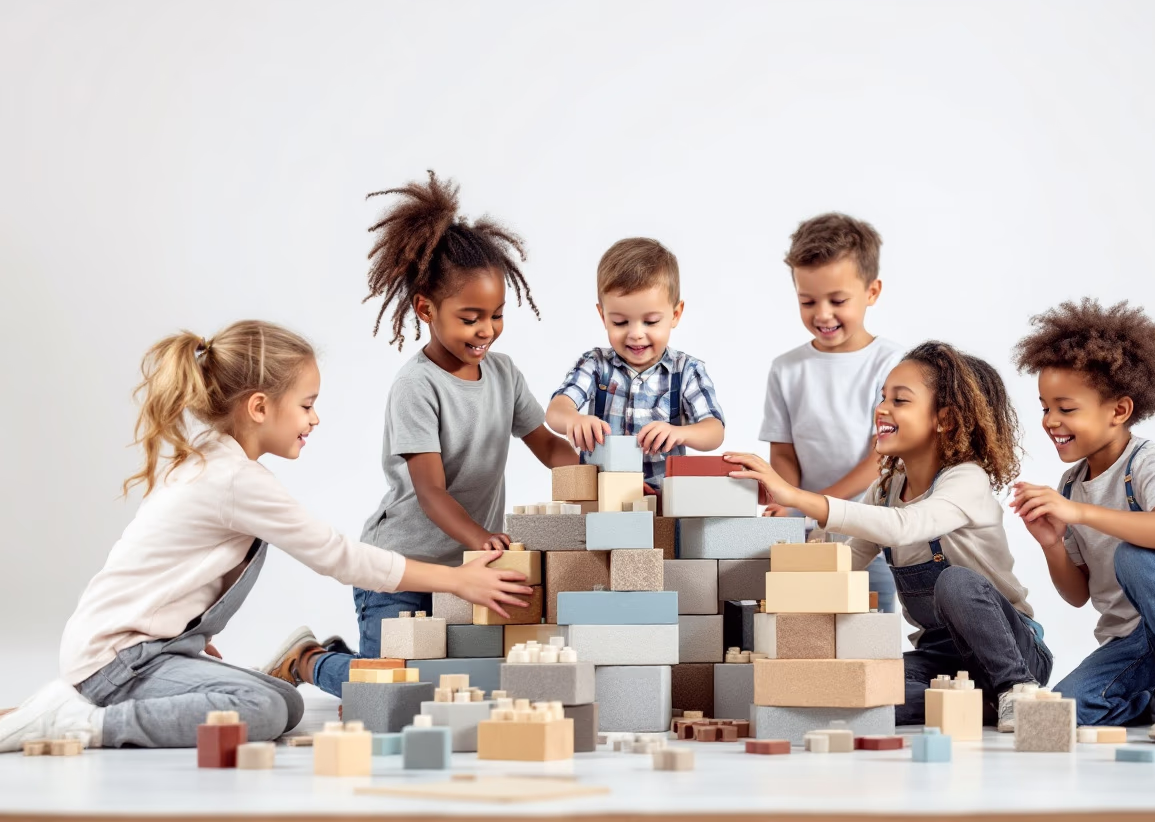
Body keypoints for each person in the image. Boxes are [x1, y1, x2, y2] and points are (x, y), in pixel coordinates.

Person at [0, 321, 531, 751]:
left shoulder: (213, 460)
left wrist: (179, 633)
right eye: (306, 404)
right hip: (117, 660)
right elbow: (339, 558)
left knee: (285, 701)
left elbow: (159, 567)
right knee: (268, 710)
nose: (315, 418)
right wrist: (457, 580)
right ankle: (79, 722)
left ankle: (76, 705)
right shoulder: (236, 479)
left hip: (136, 649)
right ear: (259, 407)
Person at [263, 173, 577, 696]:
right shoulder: (417, 386)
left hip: (467, 573)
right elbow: (430, 491)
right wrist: (480, 537)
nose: (486, 331)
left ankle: (345, 658)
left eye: (496, 316)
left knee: (462, 688)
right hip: (401, 572)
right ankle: (310, 661)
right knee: (396, 690)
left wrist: (594, 482)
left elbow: (546, 443)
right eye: (470, 318)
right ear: (426, 309)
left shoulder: (503, 374)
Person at [727, 342, 1050, 730]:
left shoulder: (966, 479)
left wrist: (796, 497)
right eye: (883, 397)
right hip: (941, 659)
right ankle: (979, 705)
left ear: (944, 420)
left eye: (900, 400)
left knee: (956, 581)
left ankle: (1017, 691)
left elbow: (903, 525)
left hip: (1014, 650)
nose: (882, 409)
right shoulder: (885, 489)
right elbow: (845, 564)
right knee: (864, 691)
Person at [1010, 298, 1155, 742]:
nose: (1050, 421)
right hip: (1142, 640)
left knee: (1138, 553)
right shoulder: (1070, 484)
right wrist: (1051, 542)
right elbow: (1078, 594)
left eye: (1066, 408)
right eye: (1045, 407)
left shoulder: (1146, 463)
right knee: (1061, 713)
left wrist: (1080, 513)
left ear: (1118, 411)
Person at [759, 212, 902, 612]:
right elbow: (783, 452)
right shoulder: (786, 369)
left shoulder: (893, 365)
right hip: (807, 530)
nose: (822, 314)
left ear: (872, 291)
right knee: (802, 628)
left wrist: (813, 501)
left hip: (871, 530)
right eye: (808, 301)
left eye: (838, 300)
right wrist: (791, 504)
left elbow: (884, 456)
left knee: (869, 634)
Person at [546, 237, 725, 492]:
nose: (636, 334)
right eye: (620, 322)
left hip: (663, 502)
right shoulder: (595, 365)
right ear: (603, 316)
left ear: (675, 314)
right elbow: (556, 410)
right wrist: (573, 419)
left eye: (650, 321)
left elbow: (714, 431)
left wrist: (680, 433)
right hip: (601, 498)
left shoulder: (686, 371)